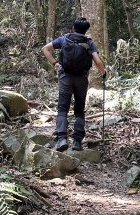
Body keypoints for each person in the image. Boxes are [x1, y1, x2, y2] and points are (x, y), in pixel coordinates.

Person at [42, 17, 106, 152]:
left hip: (66, 77)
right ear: (86, 30)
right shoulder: (89, 42)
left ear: (73, 27)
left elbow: (45, 49)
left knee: (62, 108)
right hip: (82, 79)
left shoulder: (64, 39)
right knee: (79, 110)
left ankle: (61, 139)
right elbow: (98, 62)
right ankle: (77, 142)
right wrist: (103, 72)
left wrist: (55, 64)